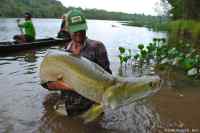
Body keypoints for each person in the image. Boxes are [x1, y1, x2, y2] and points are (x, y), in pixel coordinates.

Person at [47, 9, 112, 116]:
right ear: (68, 29)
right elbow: (51, 83)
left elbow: (108, 79)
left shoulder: (97, 47)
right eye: (75, 30)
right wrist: (65, 85)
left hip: (90, 107)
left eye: (81, 28)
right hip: (68, 105)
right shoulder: (65, 51)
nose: (79, 33)